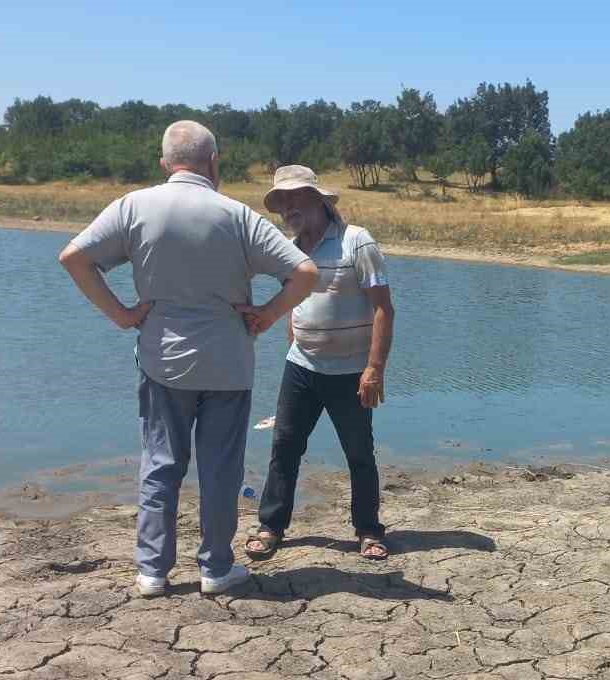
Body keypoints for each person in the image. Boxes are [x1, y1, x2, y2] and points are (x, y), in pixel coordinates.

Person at [59, 121, 318, 598]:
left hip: (163, 360)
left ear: (165, 163)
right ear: (214, 162)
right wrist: (266, 314)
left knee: (161, 465)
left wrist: (121, 314)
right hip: (228, 363)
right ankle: (216, 568)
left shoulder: (134, 206)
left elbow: (74, 258)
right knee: (220, 470)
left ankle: (152, 571)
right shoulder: (238, 216)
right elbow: (304, 272)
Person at [242, 165, 395, 563]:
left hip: (351, 372)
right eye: (281, 200)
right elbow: (293, 302)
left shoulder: (356, 241)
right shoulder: (288, 249)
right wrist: (292, 343)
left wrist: (374, 368)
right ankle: (271, 526)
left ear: (319, 200)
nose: (287, 207)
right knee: (284, 446)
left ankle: (368, 530)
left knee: (359, 453)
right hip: (301, 368)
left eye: (294, 197)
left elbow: (383, 308)